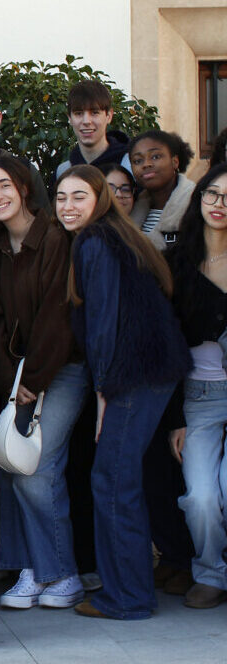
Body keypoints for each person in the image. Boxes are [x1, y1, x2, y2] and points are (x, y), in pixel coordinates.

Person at [55, 164, 191, 620]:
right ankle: (130, 587)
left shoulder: (96, 241)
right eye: (61, 198)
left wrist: (103, 392)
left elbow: (105, 325)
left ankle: (127, 596)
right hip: (149, 372)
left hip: (131, 375)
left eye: (78, 197)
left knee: (112, 481)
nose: (68, 206)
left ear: (100, 199)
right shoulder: (114, 235)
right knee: (121, 479)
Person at [0, 156, 90, 610]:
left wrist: (33, 381)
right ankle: (31, 570)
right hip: (19, 375)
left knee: (37, 469)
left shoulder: (57, 238)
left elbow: (58, 316)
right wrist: (9, 379)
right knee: (12, 463)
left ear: (23, 187)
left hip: (62, 370)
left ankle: (62, 573)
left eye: (4, 185)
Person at [167, 164, 227, 609]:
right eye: (212, 195)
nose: (219, 204)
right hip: (198, 399)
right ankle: (210, 573)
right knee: (202, 497)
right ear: (199, 199)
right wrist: (174, 419)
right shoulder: (178, 262)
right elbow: (167, 344)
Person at [128, 129, 197, 250]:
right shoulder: (131, 207)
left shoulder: (197, 204)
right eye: (138, 161)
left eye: (155, 157)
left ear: (175, 162)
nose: (146, 164)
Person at [55, 80, 132, 182]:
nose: (86, 121)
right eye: (78, 113)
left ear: (109, 116)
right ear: (70, 118)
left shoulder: (130, 164)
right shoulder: (64, 171)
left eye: (95, 113)